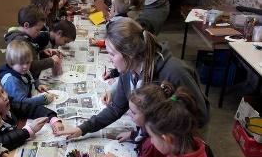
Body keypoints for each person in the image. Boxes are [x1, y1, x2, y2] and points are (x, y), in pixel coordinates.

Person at [57, 17, 209, 139]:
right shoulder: (128, 69)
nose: (109, 59)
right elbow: (116, 108)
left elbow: (201, 117)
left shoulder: (175, 72)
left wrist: (148, 131)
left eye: (111, 54)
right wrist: (83, 129)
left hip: (179, 144)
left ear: (128, 54)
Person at [0, 78, 64, 151]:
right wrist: (28, 131)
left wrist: (53, 119)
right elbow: (0, 143)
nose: (5, 97)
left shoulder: (8, 105)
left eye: (2, 91)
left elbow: (30, 108)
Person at [100, 84, 169, 157]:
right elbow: (143, 134)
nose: (128, 113)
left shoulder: (153, 143)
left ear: (149, 116)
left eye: (133, 112)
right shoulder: (148, 126)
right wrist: (133, 135)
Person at [0, 40, 56, 107]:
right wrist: (43, 99)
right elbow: (21, 103)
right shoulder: (12, 81)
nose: (25, 66)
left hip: (29, 96)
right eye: (21, 63)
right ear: (11, 63)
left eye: (28, 62)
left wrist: (37, 85)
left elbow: (31, 78)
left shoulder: (21, 70)